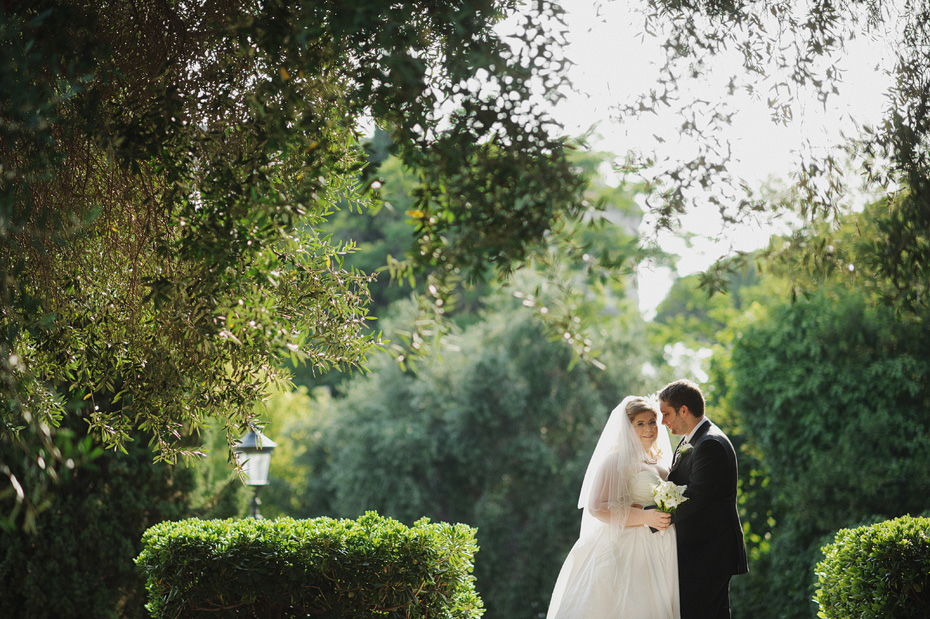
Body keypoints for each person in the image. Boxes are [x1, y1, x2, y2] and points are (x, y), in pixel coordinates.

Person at [546, 396, 681, 619]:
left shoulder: (662, 462)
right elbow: (596, 506)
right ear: (627, 428)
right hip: (627, 548)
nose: (649, 428)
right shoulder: (615, 460)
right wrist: (644, 516)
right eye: (640, 423)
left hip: (662, 546)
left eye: (652, 421)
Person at [659, 379, 748, 619]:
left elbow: (696, 498)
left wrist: (654, 518)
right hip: (701, 551)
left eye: (666, 414)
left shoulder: (710, 444)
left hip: (710, 552)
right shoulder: (692, 440)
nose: (663, 421)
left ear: (684, 410)